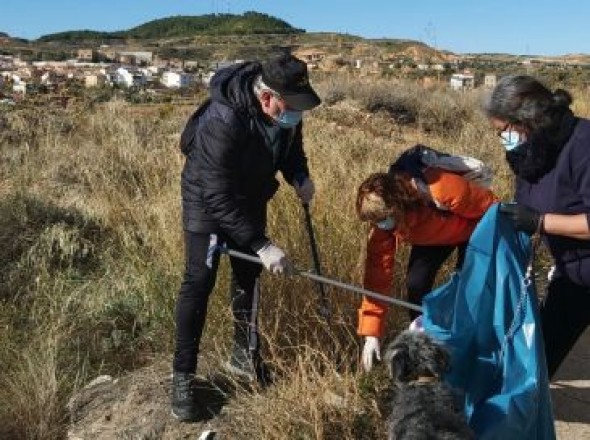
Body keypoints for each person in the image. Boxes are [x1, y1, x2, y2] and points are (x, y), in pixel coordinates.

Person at [172, 53, 321, 422]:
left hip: (251, 194)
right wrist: (262, 244)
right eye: (290, 107)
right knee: (199, 280)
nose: (295, 115)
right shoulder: (224, 119)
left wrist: (299, 176)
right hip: (208, 200)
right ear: (267, 97)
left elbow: (290, 151)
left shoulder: (288, 110)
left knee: (248, 276)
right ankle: (183, 377)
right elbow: (217, 195)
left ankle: (244, 357)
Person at [485, 74, 590, 379]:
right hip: (573, 272)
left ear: (528, 120)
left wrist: (541, 222)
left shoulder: (583, 145)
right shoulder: (532, 154)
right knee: (542, 355)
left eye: (504, 131)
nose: (504, 139)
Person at [355, 165, 498, 372]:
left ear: (398, 205)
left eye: (383, 219)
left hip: (472, 232)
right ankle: (423, 345)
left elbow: (491, 208)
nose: (381, 225)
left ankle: (470, 350)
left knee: (467, 291)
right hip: (432, 238)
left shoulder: (439, 188)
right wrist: (372, 333)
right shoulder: (385, 227)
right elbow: (377, 278)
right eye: (375, 222)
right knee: (416, 285)